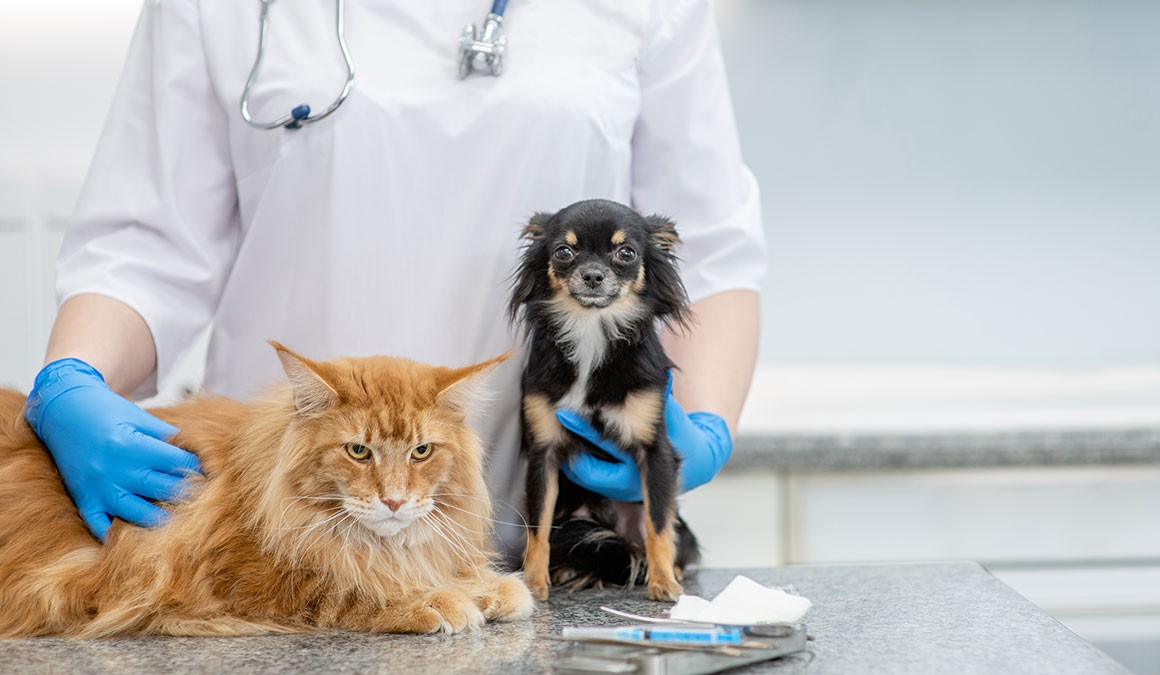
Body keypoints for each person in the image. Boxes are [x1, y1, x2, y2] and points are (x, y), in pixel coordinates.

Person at [24, 0, 766, 560]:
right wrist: (75, 378)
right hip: (281, 544)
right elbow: (146, 245)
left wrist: (701, 426)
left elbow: (705, 250)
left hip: (544, 542)